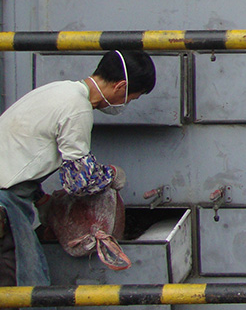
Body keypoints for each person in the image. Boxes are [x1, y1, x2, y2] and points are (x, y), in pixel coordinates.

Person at [0, 50, 156, 288]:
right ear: (120, 86)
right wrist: (112, 175)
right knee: (26, 287)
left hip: (12, 196)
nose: (126, 104)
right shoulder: (78, 108)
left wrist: (41, 200)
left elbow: (21, 151)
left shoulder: (58, 90)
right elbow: (79, 182)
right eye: (131, 98)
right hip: (5, 205)